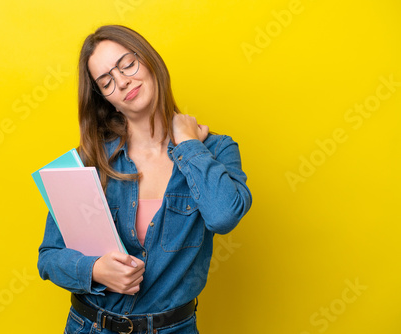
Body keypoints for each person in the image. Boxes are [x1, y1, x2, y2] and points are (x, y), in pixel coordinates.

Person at [37, 25, 252, 334]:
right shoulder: (89, 159)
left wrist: (188, 144)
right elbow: (49, 258)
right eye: (107, 81)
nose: (123, 81)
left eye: (127, 64)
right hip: (90, 326)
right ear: (105, 99)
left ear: (150, 60)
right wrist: (94, 269)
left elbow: (223, 216)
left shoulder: (216, 150)